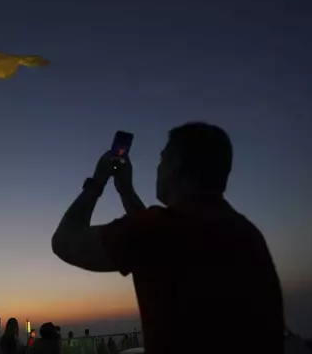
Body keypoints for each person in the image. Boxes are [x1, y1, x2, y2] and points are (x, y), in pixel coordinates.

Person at [52, 122, 285, 354]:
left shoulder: (163, 229)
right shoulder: (247, 234)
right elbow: (154, 241)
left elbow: (64, 242)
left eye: (162, 160)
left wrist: (97, 181)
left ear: (176, 166)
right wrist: (126, 190)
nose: (158, 168)